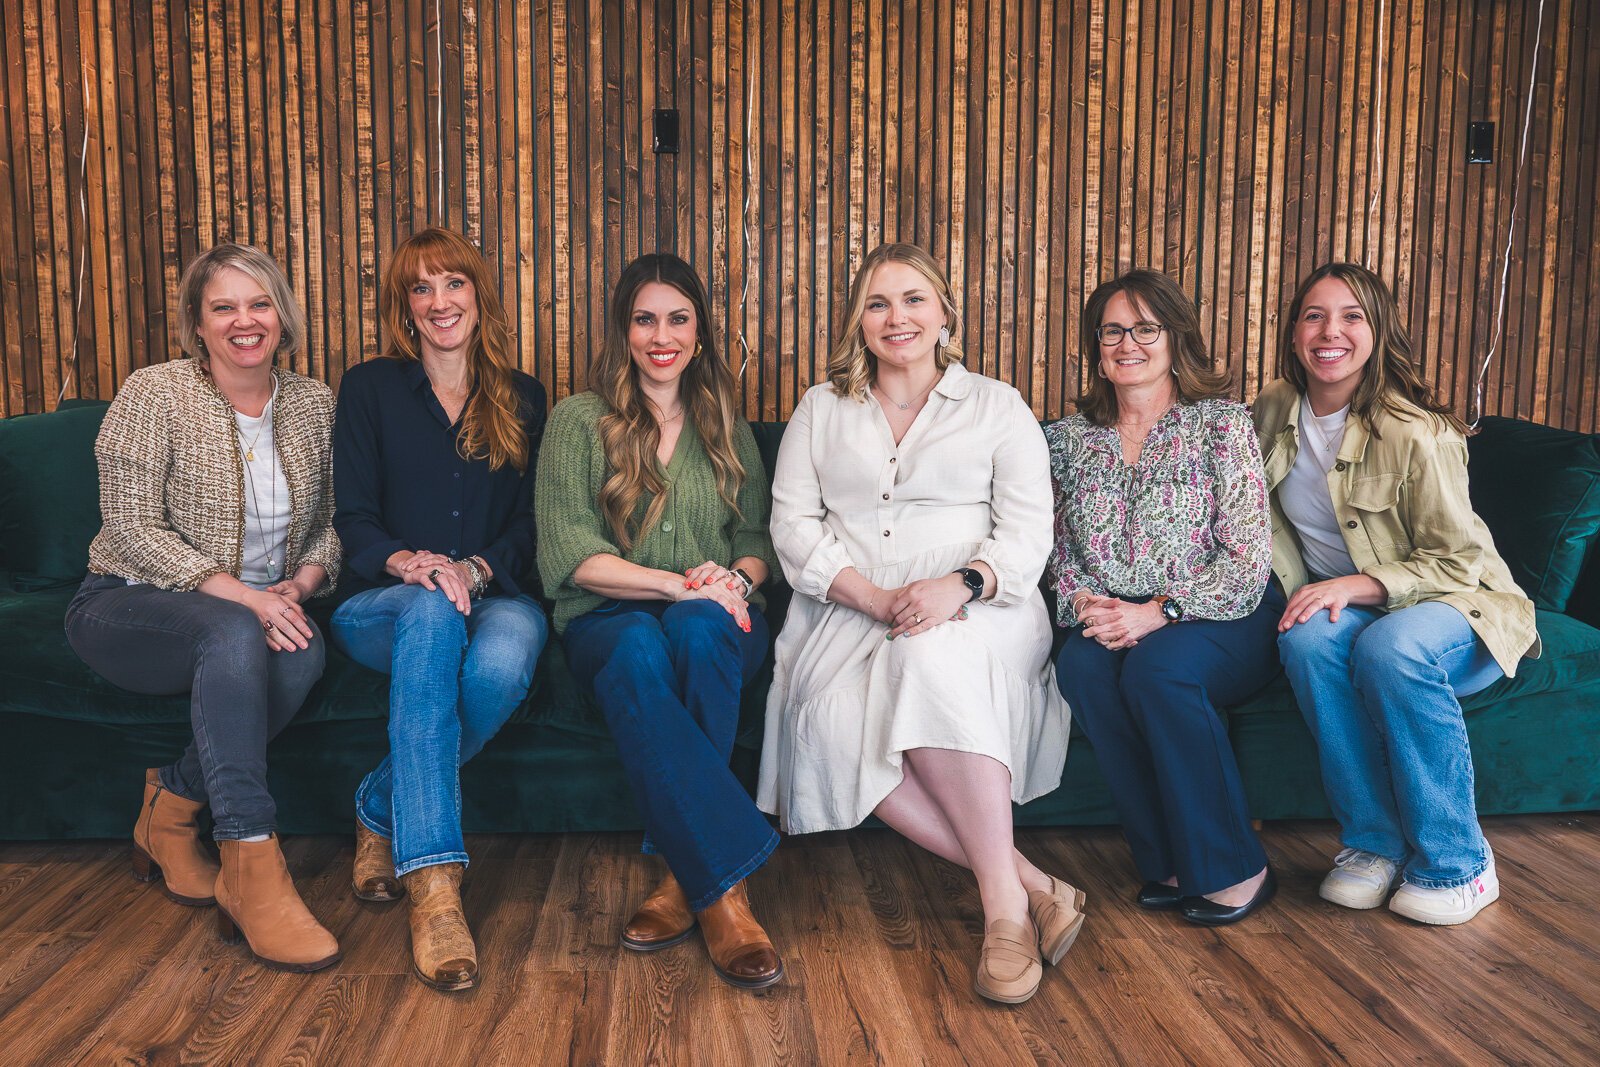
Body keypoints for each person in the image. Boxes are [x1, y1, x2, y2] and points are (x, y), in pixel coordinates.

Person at [762, 242, 1077, 1005]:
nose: (895, 317)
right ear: (858, 321)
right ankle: (1030, 883)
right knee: (830, 725)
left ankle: (1003, 915)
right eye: (877, 302)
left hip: (979, 605)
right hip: (849, 602)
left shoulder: (998, 406)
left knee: (927, 661)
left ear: (944, 313)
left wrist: (960, 585)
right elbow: (793, 525)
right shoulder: (820, 408)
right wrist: (869, 596)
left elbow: (1029, 533)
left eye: (912, 300)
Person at [64, 243, 341, 972]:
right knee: (233, 634)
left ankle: (172, 808)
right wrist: (242, 594)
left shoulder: (314, 401)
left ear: (282, 315)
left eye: (259, 303)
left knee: (304, 649)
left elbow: (332, 523)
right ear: (197, 322)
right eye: (223, 306)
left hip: (257, 607)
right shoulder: (155, 391)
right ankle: (251, 863)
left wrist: (301, 584)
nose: (244, 320)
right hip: (129, 602)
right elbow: (129, 524)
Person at [1257, 262, 1538, 926]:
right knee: (1305, 636)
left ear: (1378, 330)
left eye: (1352, 316)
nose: (1331, 332)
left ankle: (1460, 863)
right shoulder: (1273, 407)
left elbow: (1457, 560)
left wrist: (1363, 582)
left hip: (1457, 608)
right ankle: (1372, 843)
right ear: (1294, 331)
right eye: (1315, 315)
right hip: (1353, 611)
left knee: (1390, 644)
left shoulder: (1418, 429)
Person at [535, 253, 784, 990]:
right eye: (645, 319)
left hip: (715, 613)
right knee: (641, 647)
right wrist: (679, 584)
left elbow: (758, 540)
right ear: (624, 331)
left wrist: (733, 582)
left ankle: (684, 874)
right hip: (606, 617)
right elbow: (571, 552)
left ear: (699, 333)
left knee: (704, 632)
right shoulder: (578, 420)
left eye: (678, 319)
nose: (661, 335)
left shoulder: (724, 425)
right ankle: (726, 886)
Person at [331, 226, 548, 991]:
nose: (438, 301)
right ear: (405, 307)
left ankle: (379, 806)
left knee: (501, 662)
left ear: (477, 295)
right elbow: (351, 516)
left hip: (493, 596)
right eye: (420, 288)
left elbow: (530, 524)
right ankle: (434, 887)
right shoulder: (369, 388)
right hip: (385, 603)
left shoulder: (522, 396)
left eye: (452, 283)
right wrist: (410, 562)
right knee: (429, 614)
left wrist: (475, 566)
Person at [1047, 269, 1280, 928]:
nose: (1128, 343)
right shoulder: (1069, 439)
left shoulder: (1221, 425)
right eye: (1112, 330)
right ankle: (1168, 861)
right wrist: (1089, 605)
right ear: (1096, 346)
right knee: (1083, 665)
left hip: (1222, 611)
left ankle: (1237, 866)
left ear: (1175, 338)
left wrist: (1159, 612)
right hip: (1119, 610)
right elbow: (1059, 554)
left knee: (1160, 666)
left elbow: (1246, 561)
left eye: (1145, 328)